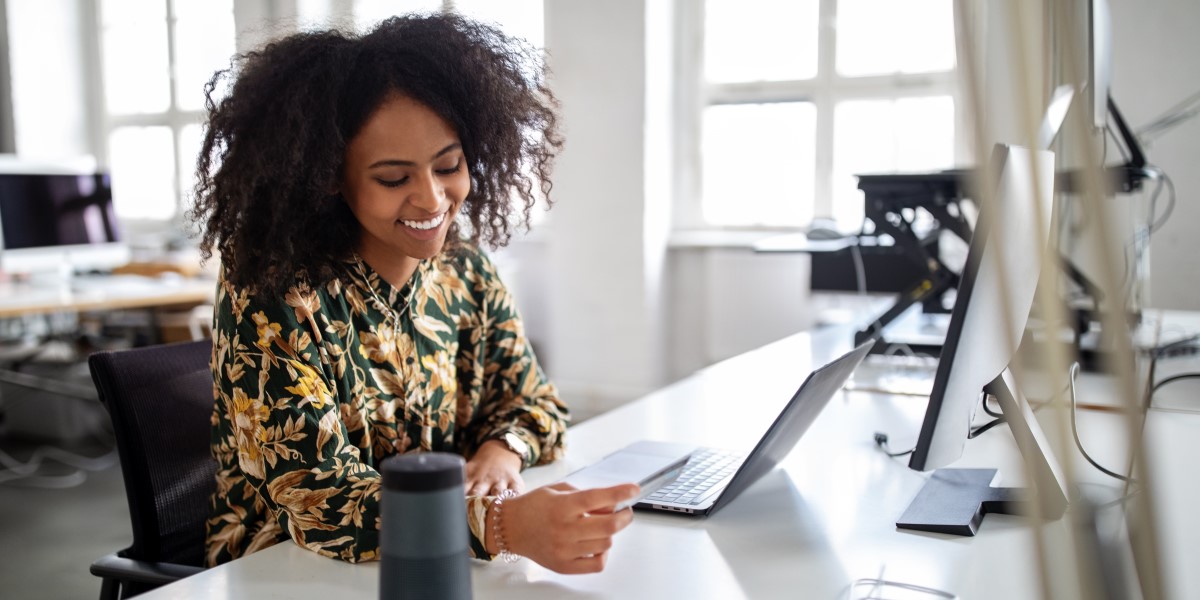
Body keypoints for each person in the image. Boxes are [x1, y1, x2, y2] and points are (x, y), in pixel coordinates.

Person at [191, 13, 638, 575]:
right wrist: (499, 525)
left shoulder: (464, 270)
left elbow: (535, 404)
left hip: (434, 558)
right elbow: (321, 501)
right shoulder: (274, 292)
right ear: (330, 175)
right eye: (393, 179)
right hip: (281, 567)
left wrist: (504, 449)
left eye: (448, 166)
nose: (431, 201)